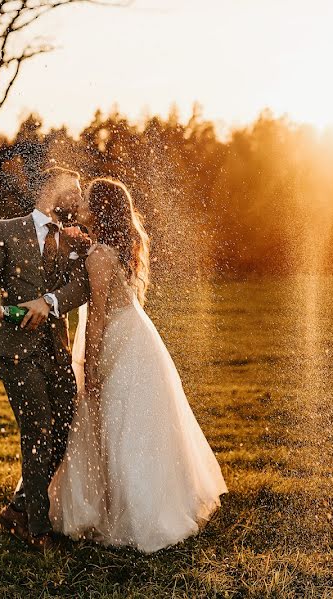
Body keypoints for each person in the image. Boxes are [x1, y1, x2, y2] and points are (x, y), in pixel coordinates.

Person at [48, 178, 227, 553]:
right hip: (136, 336)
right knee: (135, 423)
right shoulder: (112, 248)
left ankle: (134, 513)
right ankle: (151, 502)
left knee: (117, 420)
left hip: (118, 341)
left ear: (98, 210)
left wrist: (91, 367)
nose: (78, 204)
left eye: (85, 201)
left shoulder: (99, 256)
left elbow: (96, 318)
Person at [0, 166, 90, 549]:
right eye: (71, 190)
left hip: (55, 348)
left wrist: (49, 302)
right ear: (50, 189)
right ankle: (38, 529)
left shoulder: (72, 241)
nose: (77, 197)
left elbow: (82, 285)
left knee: (64, 426)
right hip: (14, 350)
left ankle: (19, 508)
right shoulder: (5, 229)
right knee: (38, 426)